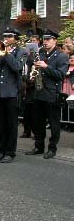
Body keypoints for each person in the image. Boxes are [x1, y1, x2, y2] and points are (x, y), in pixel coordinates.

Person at [25, 29, 68, 159]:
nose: (45, 42)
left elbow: (60, 75)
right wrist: (33, 71)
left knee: (54, 124)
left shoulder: (61, 56)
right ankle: (39, 146)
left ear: (55, 40)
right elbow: (33, 67)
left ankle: (52, 148)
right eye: (44, 39)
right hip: (39, 92)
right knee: (38, 122)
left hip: (52, 94)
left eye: (48, 39)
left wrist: (46, 67)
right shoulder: (41, 53)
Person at [0, 28, 27, 163]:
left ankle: (10, 152)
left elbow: (17, 67)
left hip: (11, 92)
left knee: (11, 124)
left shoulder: (21, 52)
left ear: (15, 38)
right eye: (5, 36)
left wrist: (6, 53)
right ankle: (1, 150)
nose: (6, 39)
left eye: (9, 36)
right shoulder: (0, 51)